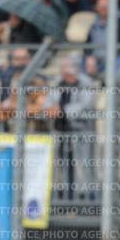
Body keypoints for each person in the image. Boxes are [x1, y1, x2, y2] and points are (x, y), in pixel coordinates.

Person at [44, 56, 97, 199]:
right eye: (62, 68)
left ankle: (88, 198)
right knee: (63, 166)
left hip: (81, 133)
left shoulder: (86, 83)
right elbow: (48, 103)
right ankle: (66, 198)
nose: (64, 72)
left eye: (67, 68)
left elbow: (85, 106)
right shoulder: (57, 83)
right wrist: (50, 109)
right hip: (60, 132)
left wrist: (62, 110)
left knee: (84, 165)